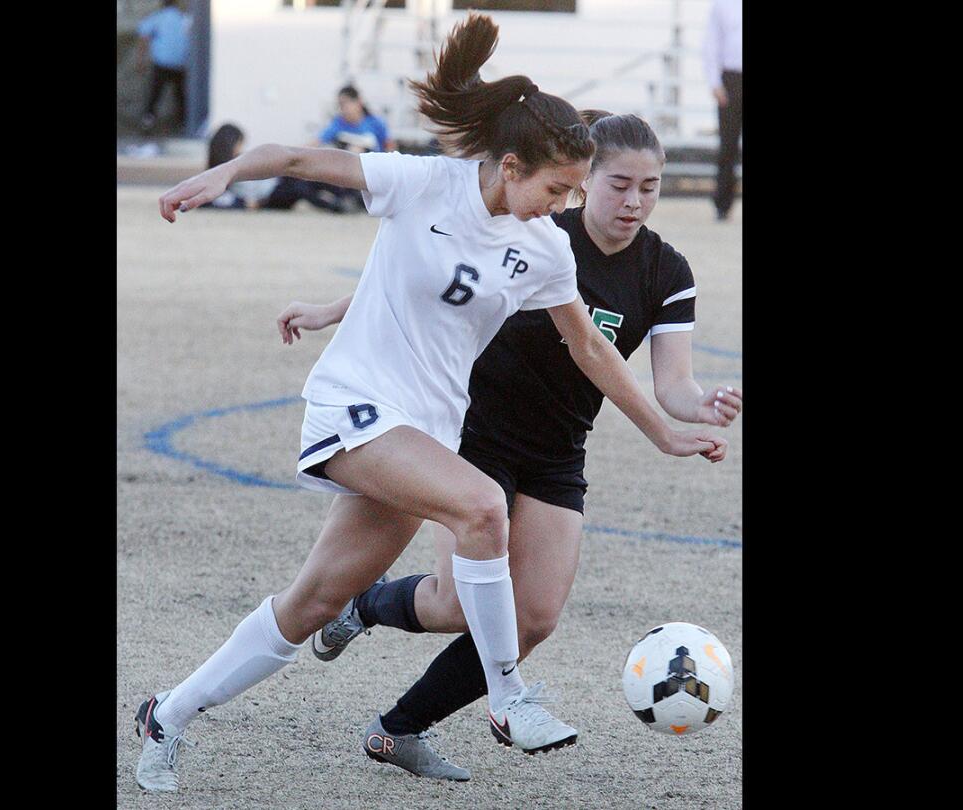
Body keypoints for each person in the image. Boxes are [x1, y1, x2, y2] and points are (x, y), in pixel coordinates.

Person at [133, 13, 727, 794]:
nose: (564, 206)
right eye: (556, 188)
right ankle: (509, 695)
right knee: (483, 507)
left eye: (575, 192)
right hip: (355, 408)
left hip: (424, 433)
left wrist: (661, 430)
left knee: (313, 602)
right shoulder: (422, 183)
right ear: (509, 166)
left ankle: (165, 714)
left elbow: (590, 349)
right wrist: (222, 175)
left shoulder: (544, 245)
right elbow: (296, 156)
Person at [277, 110, 742, 780]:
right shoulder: (536, 227)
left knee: (535, 618)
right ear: (586, 181)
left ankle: (396, 728)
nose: (634, 201)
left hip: (558, 450)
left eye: (650, 185)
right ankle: (364, 603)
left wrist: (701, 407)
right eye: (618, 184)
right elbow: (428, 275)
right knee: (452, 603)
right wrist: (329, 309)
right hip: (474, 432)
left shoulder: (666, 272)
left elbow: (675, 385)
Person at [202, 123, 346, 212]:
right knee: (299, 187)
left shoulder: (239, 160)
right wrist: (245, 204)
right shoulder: (223, 170)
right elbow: (217, 200)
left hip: (273, 184)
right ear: (230, 144)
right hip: (267, 197)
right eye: (240, 144)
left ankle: (346, 193)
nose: (241, 148)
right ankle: (335, 206)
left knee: (306, 174)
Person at [702, 0, 742, 220]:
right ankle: (723, 204)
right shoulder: (723, 4)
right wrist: (714, 82)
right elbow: (711, 43)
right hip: (732, 78)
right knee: (728, 144)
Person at [135, 0, 193, 133]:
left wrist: (140, 61)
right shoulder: (184, 18)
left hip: (162, 64)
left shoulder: (157, 17)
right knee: (181, 95)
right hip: (180, 64)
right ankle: (184, 123)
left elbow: (143, 37)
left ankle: (148, 120)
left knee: (155, 93)